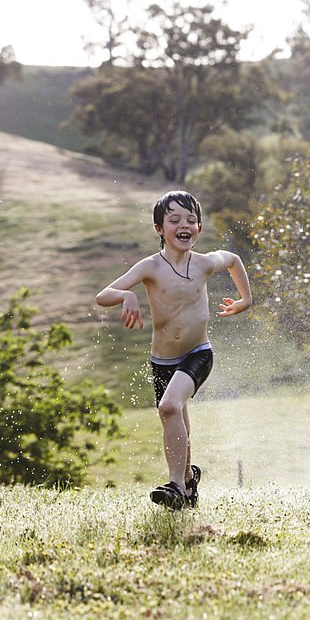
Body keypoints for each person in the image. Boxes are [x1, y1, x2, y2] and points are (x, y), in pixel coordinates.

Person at [96, 191, 252, 509]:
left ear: (199, 229)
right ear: (159, 229)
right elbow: (103, 295)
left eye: (192, 220)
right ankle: (189, 479)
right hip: (162, 361)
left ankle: (177, 488)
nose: (185, 225)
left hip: (198, 353)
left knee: (169, 407)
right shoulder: (151, 267)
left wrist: (245, 299)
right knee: (175, 415)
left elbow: (233, 260)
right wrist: (126, 296)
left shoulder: (204, 263)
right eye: (175, 219)